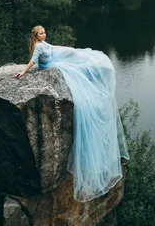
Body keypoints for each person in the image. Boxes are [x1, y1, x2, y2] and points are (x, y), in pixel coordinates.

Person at [14, 25, 129, 202]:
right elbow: (33, 62)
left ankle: (79, 54)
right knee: (81, 67)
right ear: (35, 37)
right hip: (51, 64)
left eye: (44, 32)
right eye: (41, 34)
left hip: (55, 58)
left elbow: (51, 47)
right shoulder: (37, 47)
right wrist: (23, 72)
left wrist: (68, 49)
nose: (44, 35)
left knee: (79, 55)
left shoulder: (43, 44)